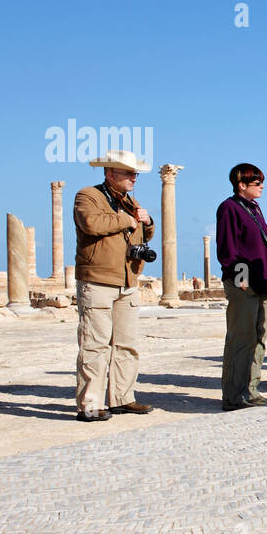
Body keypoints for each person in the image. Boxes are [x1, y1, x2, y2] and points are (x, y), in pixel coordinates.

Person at [73, 150, 156, 421]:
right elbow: (91, 223)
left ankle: (123, 397)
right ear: (110, 174)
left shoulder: (130, 201)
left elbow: (141, 234)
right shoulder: (88, 195)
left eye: (136, 173)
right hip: (97, 279)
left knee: (127, 345)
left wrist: (148, 222)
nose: (134, 178)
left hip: (128, 280)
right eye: (129, 173)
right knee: (95, 345)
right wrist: (129, 219)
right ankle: (90, 404)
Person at [216, 163, 267, 410]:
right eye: (257, 183)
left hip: (263, 281)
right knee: (241, 339)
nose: (262, 186)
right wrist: (241, 281)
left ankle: (250, 390)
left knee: (258, 338)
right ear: (241, 185)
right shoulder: (229, 208)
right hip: (244, 283)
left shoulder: (255, 208)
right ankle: (233, 395)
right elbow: (227, 250)